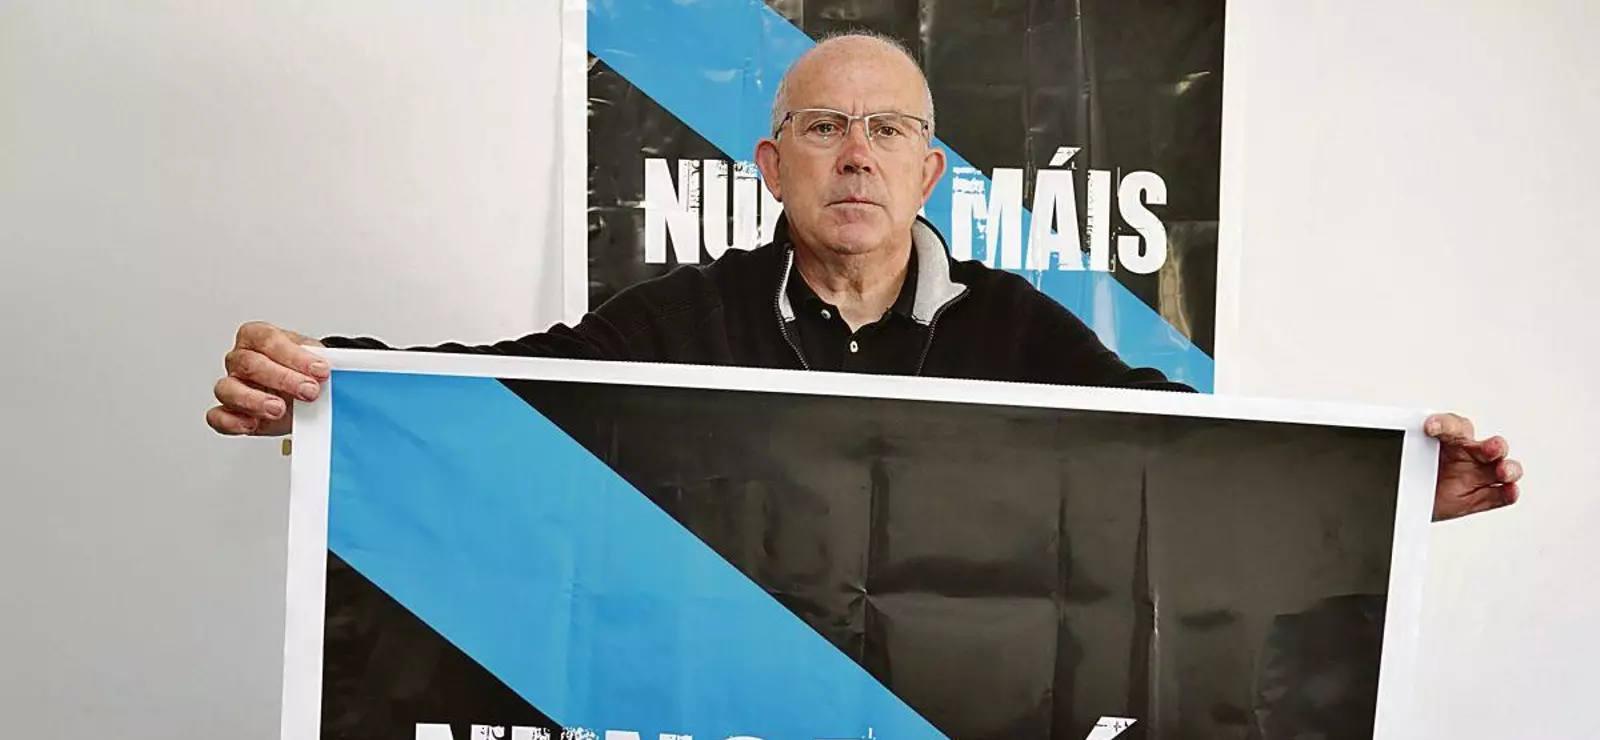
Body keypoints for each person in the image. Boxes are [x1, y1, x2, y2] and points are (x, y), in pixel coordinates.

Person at [204, 32, 1521, 522]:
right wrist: (324, 391)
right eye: (824, 126)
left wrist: (1394, 494)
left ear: (929, 169)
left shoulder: (1015, 328)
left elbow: (1180, 453)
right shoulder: (684, 315)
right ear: (771, 163)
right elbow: (508, 393)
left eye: (888, 129)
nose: (856, 153)